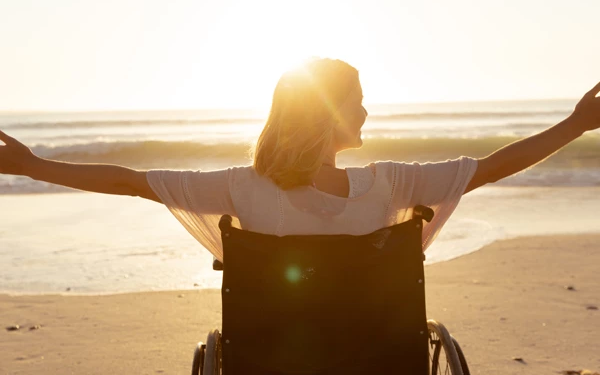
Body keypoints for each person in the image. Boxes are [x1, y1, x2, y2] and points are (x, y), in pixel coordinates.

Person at [1, 58, 598, 262]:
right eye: (356, 103)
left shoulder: (241, 190)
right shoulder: (389, 186)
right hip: (376, 347)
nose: (366, 114)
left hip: (272, 352)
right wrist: (575, 125)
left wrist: (34, 166)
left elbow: (130, 182)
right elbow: (491, 166)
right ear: (328, 115)